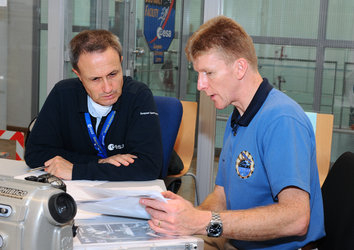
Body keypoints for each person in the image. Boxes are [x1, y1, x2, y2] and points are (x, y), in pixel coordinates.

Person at [140, 16, 325, 249]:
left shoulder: (282, 120)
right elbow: (222, 196)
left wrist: (202, 221)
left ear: (239, 68)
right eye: (198, 74)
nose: (200, 85)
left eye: (208, 73)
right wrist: (184, 218)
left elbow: (296, 219)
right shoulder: (238, 116)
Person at [25, 30, 163, 181]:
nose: (108, 88)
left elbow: (149, 166)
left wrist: (76, 170)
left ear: (121, 62)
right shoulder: (63, 93)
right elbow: (35, 154)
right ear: (78, 75)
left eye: (113, 74)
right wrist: (100, 162)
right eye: (95, 79)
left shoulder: (139, 95)